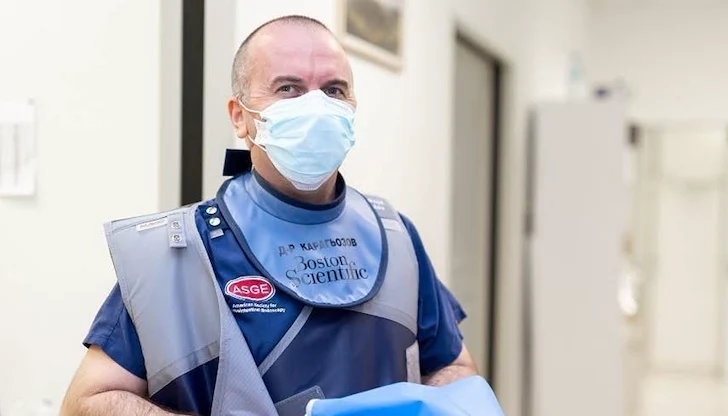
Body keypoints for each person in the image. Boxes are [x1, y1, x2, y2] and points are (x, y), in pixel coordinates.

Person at [60, 15, 478, 416]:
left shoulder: (395, 238)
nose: (316, 107)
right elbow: (87, 403)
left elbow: (455, 367)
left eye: (333, 90)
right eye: (289, 88)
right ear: (239, 116)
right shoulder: (179, 255)